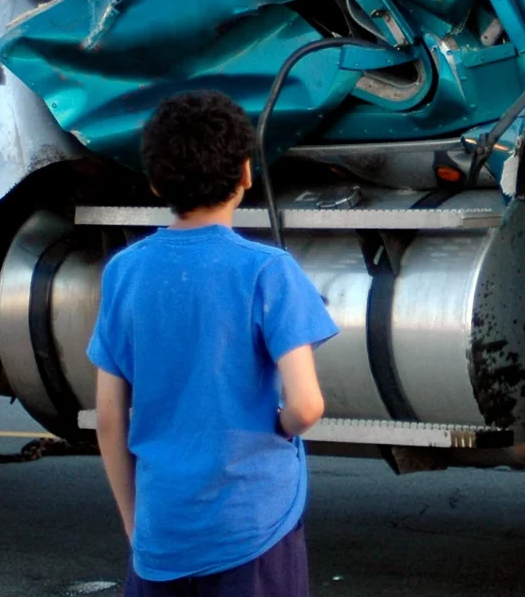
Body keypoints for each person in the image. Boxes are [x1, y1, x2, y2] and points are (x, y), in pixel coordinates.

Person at [88, 90, 339, 596]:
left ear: (156, 182)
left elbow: (110, 417)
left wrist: (137, 528)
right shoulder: (269, 271)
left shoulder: (125, 272)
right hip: (254, 526)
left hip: (162, 535)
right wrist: (282, 425)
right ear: (247, 173)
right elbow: (307, 405)